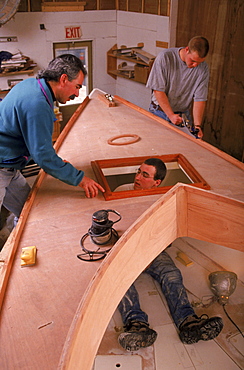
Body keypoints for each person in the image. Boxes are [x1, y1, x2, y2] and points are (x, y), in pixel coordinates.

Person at [116, 158, 223, 351]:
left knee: (171, 274)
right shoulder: (121, 191)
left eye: (145, 175)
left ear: (157, 182)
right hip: (125, 249)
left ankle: (188, 322)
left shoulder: (164, 198)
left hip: (153, 249)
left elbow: (170, 233)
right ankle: (137, 325)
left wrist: (152, 250)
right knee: (119, 281)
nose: (137, 177)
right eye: (138, 171)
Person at [0, 54, 104, 224]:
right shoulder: (37, 103)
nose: (77, 94)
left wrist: (53, 161)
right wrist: (79, 178)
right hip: (1, 164)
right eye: (77, 87)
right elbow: (43, 156)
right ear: (63, 79)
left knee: (29, 214)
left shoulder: (31, 85)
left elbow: (26, 136)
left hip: (9, 166)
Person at [146, 36, 210, 139]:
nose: (195, 65)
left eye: (199, 62)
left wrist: (197, 126)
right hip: (160, 112)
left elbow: (200, 99)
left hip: (182, 115)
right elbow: (158, 90)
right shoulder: (165, 57)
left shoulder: (203, 68)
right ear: (187, 49)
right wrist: (171, 115)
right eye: (193, 60)